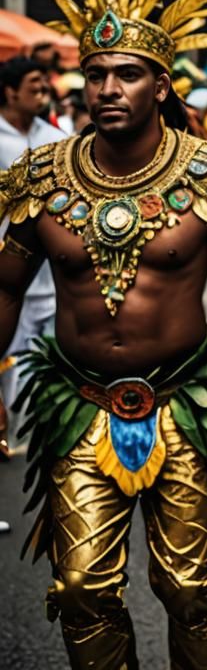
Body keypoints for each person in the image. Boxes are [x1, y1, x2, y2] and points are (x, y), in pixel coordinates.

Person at [0, 0, 207, 668]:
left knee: (189, 587)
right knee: (80, 588)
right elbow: (6, 285)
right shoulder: (41, 178)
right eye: (97, 74)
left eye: (128, 75)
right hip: (77, 401)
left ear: (161, 86)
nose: (107, 89)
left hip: (183, 400)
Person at [0, 58, 64, 445]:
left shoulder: (54, 135)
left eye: (44, 84)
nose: (42, 90)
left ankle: (48, 427)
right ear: (10, 91)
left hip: (52, 267)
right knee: (11, 348)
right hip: (6, 263)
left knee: (51, 348)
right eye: (33, 84)